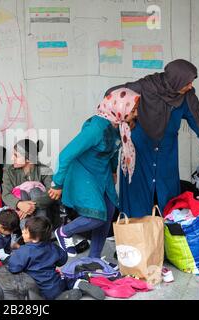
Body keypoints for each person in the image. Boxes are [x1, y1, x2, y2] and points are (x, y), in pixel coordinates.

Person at [106, 59, 199, 217]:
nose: (190, 86)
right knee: (137, 203)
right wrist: (125, 119)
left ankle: (164, 240)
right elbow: (111, 94)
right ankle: (137, 240)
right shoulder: (144, 87)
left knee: (167, 205)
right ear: (175, 80)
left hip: (166, 156)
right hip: (139, 154)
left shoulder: (187, 97)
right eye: (187, 82)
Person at [48, 88, 140, 258]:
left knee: (110, 210)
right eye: (133, 110)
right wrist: (57, 183)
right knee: (96, 216)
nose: (135, 114)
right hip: (83, 174)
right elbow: (66, 155)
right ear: (120, 107)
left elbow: (114, 149)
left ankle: (94, 259)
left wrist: (113, 171)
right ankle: (63, 232)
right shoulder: (95, 129)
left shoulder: (118, 125)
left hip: (102, 174)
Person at [2, 139, 55, 229]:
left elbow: (51, 194)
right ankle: (27, 234)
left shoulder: (45, 170)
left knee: (36, 191)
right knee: (22, 194)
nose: (12, 158)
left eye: (16, 156)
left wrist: (30, 206)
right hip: (18, 214)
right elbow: (6, 194)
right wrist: (19, 204)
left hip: (43, 213)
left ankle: (39, 233)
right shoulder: (9, 171)